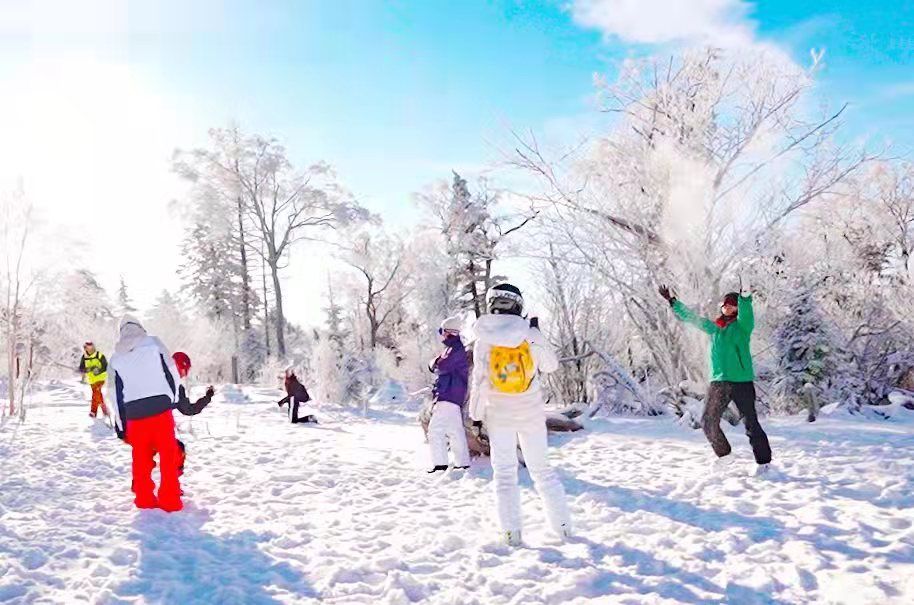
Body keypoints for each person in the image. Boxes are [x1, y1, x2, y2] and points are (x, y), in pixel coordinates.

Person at [469, 283, 572, 546]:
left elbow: (479, 381)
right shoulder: (530, 334)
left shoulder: (484, 338)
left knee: (504, 475)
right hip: (531, 414)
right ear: (518, 304)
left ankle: (511, 535)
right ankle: (563, 530)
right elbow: (550, 366)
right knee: (543, 472)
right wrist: (538, 335)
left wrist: (476, 415)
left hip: (498, 414)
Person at [659, 284, 772, 474]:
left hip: (741, 381)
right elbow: (692, 318)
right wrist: (673, 302)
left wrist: (745, 297)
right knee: (708, 421)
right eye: (725, 305)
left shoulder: (743, 326)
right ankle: (725, 455)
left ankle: (764, 463)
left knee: (751, 422)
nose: (727, 307)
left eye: (732, 305)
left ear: (737, 308)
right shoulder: (714, 329)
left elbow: (746, 313)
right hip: (719, 381)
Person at [109, 316, 184, 512]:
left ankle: (144, 499)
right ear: (140, 328)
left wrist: (121, 425)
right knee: (168, 455)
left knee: (140, 458)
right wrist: (173, 398)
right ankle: (170, 500)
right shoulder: (154, 343)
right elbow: (172, 371)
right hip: (160, 407)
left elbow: (114, 394)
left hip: (134, 413)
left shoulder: (115, 358)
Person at [426, 316, 471, 473]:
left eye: (442, 332)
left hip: (448, 394)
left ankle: (440, 464)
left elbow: (443, 365)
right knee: (454, 430)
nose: (441, 335)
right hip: (452, 394)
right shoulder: (454, 349)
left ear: (449, 332)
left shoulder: (455, 349)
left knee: (435, 430)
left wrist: (435, 362)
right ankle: (462, 462)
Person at [78, 341, 109, 419]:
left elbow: (105, 366)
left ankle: (93, 412)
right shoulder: (84, 357)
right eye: (88, 347)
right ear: (85, 348)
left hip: (100, 378)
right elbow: (81, 368)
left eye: (91, 347)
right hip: (91, 380)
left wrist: (98, 370)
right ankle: (104, 409)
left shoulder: (99, 355)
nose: (90, 349)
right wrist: (86, 370)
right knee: (97, 394)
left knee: (95, 393)